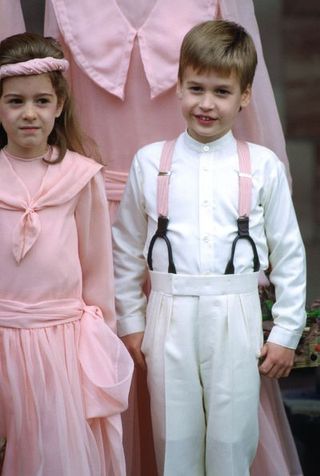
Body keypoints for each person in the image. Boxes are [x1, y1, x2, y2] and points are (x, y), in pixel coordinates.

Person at [112, 20, 306, 476]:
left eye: (221, 91)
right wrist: (131, 321)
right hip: (167, 311)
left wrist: (285, 331)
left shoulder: (261, 166)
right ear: (178, 87)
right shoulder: (149, 162)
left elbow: (289, 253)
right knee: (173, 439)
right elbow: (123, 250)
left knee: (231, 439)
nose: (206, 103)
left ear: (244, 97)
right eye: (196, 88)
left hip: (235, 314)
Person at [0, 32, 133, 476]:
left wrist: (100, 347)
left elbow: (97, 272)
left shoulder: (80, 176)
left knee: (57, 456)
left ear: (59, 106)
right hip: (3, 339)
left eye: (41, 101)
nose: (29, 114)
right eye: (15, 101)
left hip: (61, 346)